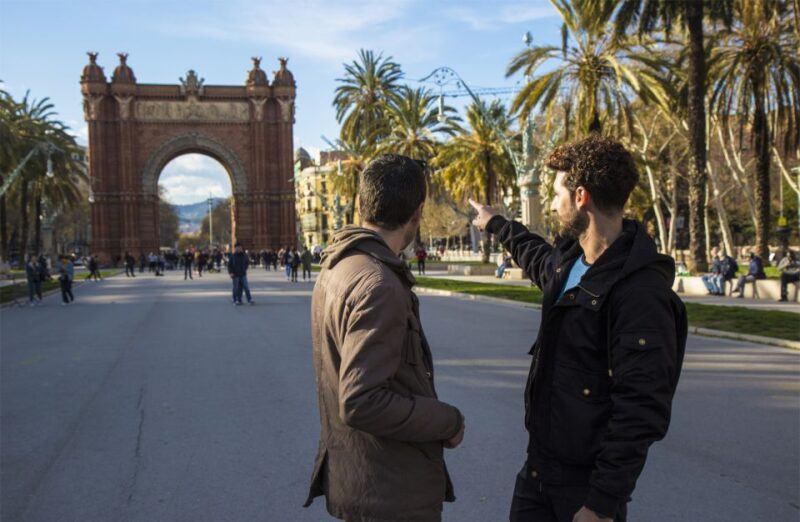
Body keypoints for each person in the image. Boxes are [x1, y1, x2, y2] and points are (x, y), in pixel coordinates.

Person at [470, 135, 686, 522]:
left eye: (557, 193)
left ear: (581, 196)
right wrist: (496, 223)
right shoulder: (568, 263)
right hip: (537, 470)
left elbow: (641, 410)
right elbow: (534, 254)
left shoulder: (640, 292)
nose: (553, 204)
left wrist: (602, 503)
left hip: (585, 492)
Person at [305, 154, 464, 522]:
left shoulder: (340, 265)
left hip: (366, 481)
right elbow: (363, 401)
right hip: (389, 493)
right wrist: (449, 420)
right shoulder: (378, 283)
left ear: (362, 204)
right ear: (418, 212)